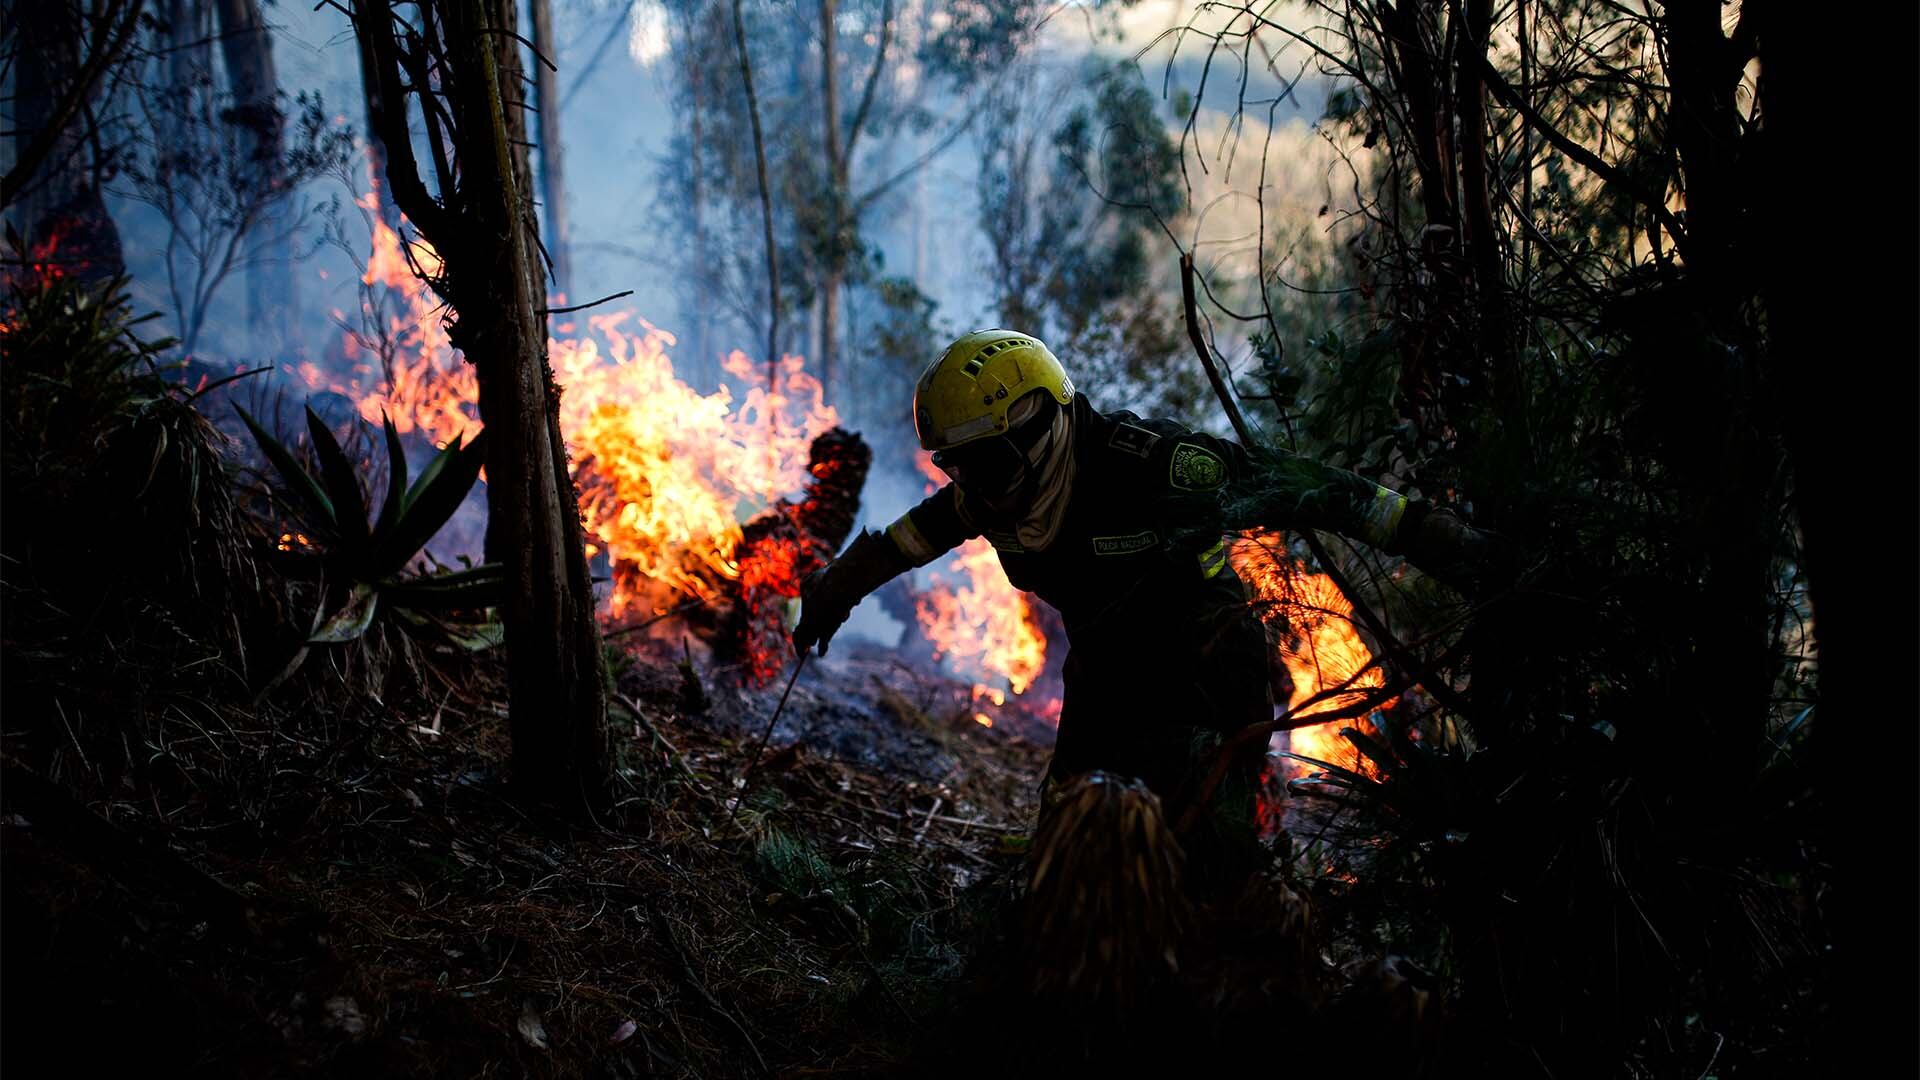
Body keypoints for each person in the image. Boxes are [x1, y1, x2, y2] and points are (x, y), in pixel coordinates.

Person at [791, 329, 1495, 840]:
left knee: (1211, 856)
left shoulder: (1158, 467)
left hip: (1210, 669)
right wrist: (836, 588)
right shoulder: (987, 491)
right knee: (1070, 847)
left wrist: (1441, 540)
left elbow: (1316, 492)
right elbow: (904, 543)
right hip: (1104, 667)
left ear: (1041, 423)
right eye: (959, 468)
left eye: (991, 465)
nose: (977, 489)